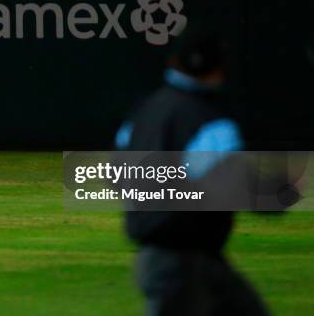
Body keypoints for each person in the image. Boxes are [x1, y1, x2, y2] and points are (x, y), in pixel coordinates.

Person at [115, 28, 269, 315]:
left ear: (174, 62)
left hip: (157, 259)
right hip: (184, 265)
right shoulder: (211, 122)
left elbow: (118, 174)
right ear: (220, 68)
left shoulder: (143, 113)